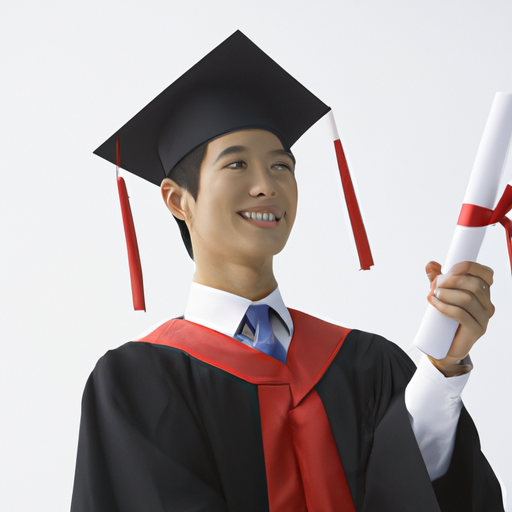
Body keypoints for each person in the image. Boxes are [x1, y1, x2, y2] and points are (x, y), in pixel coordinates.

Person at [71, 31, 504, 511]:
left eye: (281, 166)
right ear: (177, 199)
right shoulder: (138, 383)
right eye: (237, 165)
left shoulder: (367, 365)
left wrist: (442, 369)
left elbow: (420, 493)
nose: (266, 186)